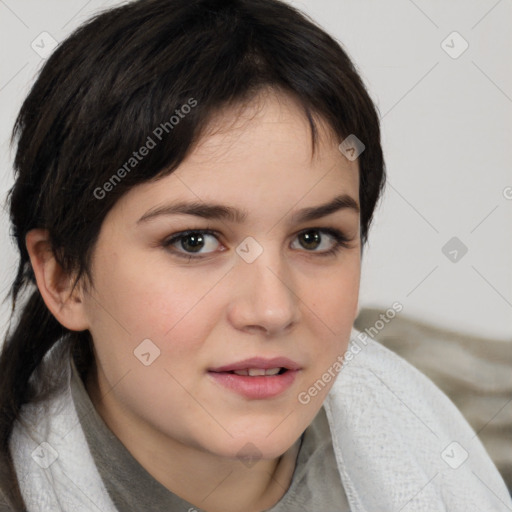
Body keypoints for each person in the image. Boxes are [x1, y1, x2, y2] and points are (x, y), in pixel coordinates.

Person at [0, 0, 510, 510]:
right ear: (63, 276)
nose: (273, 310)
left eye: (314, 238)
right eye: (194, 241)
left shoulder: (445, 447)